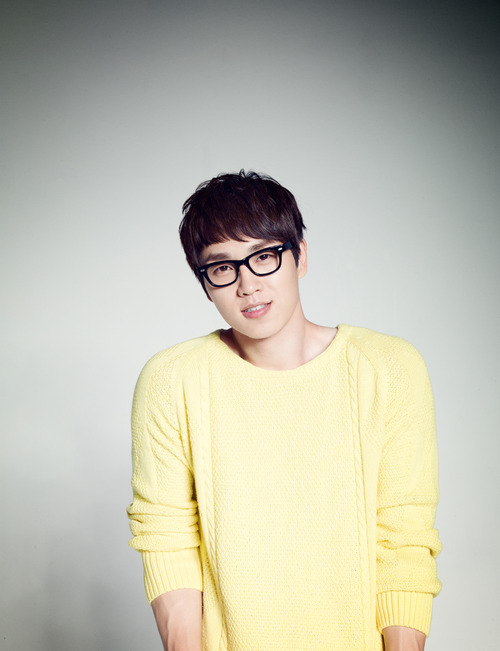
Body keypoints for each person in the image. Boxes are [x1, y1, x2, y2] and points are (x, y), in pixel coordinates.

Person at [127, 170, 441, 651]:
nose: (247, 285)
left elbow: (403, 538)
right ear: (205, 284)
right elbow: (166, 535)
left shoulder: (389, 368)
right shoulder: (171, 380)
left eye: (264, 257)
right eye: (222, 267)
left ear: (300, 256)